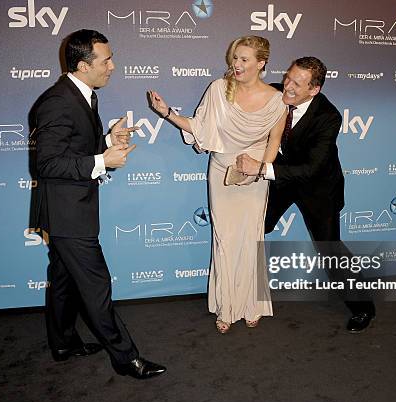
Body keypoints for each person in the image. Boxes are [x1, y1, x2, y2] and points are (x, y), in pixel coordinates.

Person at [30, 29, 166, 378]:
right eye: (105, 60)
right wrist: (103, 161)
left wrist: (108, 140)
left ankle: (63, 343)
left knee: (62, 278)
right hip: (67, 212)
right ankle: (126, 358)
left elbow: (73, 147)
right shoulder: (57, 101)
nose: (113, 66)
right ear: (82, 65)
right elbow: (45, 164)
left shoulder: (82, 94)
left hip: (70, 208)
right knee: (96, 286)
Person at [149, 36, 287, 333]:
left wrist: (261, 170)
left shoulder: (277, 100)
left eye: (244, 59)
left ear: (261, 63)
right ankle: (226, 306)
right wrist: (167, 113)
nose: (236, 64)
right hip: (222, 172)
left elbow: (274, 141)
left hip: (254, 177)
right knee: (225, 240)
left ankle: (251, 303)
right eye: (234, 58)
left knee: (251, 239)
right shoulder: (218, 90)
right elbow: (199, 128)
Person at [236, 57, 376, 333]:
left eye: (296, 84)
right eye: (287, 77)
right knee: (250, 228)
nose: (287, 86)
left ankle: (363, 307)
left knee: (330, 250)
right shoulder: (275, 93)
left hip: (318, 187)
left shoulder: (329, 117)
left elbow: (312, 168)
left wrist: (262, 169)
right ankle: (238, 297)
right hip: (281, 180)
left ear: (314, 90)